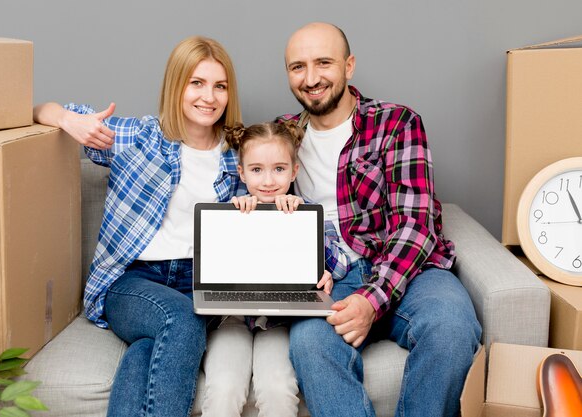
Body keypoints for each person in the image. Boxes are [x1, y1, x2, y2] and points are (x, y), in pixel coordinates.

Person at [33, 36, 243, 417]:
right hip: (134, 282)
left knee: (146, 350)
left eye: (220, 86)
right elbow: (40, 109)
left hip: (202, 283)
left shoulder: (240, 156)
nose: (209, 97)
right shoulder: (140, 137)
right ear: (176, 85)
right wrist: (69, 120)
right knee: (182, 320)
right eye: (196, 83)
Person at [279, 22, 482, 417]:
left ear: (349, 66)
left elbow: (416, 225)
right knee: (309, 342)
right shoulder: (283, 135)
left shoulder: (396, 122)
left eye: (324, 63)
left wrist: (372, 300)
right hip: (331, 278)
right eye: (297, 67)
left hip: (410, 271)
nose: (311, 78)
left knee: (452, 328)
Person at [200, 121, 346, 417]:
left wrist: (323, 266)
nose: (268, 180)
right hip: (232, 319)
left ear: (294, 171)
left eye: (279, 169)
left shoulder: (304, 211)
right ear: (241, 172)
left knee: (278, 387)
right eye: (256, 170)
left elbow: (341, 263)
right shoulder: (230, 208)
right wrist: (234, 211)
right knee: (225, 387)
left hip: (279, 322)